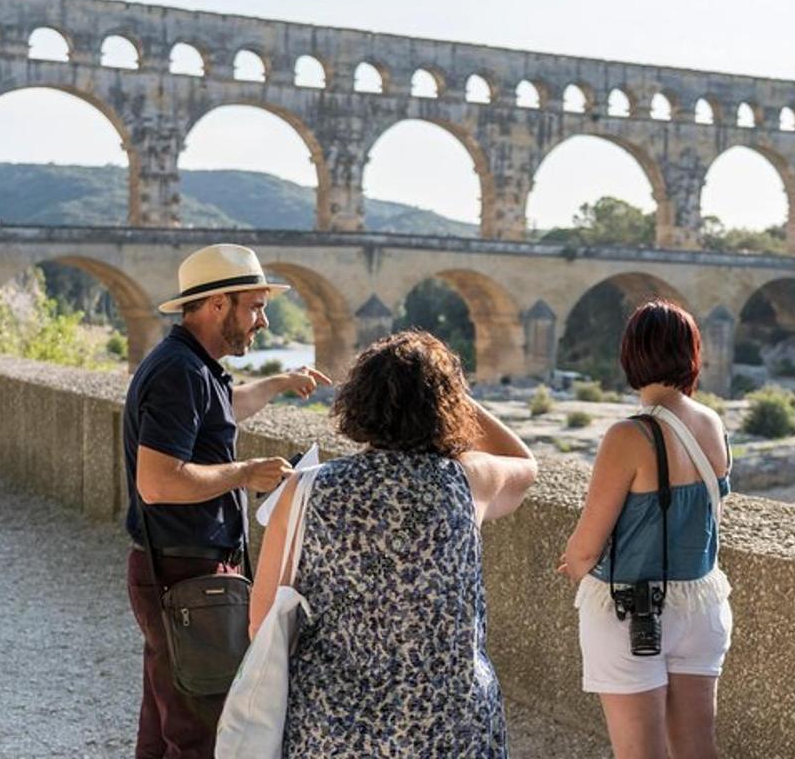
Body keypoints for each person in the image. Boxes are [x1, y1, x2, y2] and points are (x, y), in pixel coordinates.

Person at [249, 330, 538, 757]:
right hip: (449, 725)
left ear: (358, 402)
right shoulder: (467, 482)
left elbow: (261, 622)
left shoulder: (305, 490)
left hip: (332, 725)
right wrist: (456, 396)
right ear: (447, 407)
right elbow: (525, 465)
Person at [125, 243, 331, 759]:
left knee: (165, 716)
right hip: (185, 570)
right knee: (201, 728)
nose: (262, 320)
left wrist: (280, 383)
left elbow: (224, 409)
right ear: (218, 304)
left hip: (178, 564)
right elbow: (159, 482)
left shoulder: (193, 366)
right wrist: (246, 473)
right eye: (255, 306)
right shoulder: (180, 374)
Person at [559, 300, 732, 759]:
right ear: (692, 352)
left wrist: (577, 565)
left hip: (631, 609)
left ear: (631, 355)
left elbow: (585, 547)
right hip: (701, 605)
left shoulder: (629, 436)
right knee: (698, 749)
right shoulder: (712, 424)